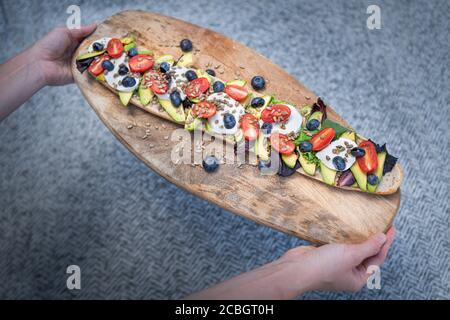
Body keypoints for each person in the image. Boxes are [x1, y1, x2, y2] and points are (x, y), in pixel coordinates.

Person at [0, 25, 396, 299]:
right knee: (185, 93)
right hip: (186, 98)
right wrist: (297, 275)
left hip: (252, 120)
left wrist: (33, 65)